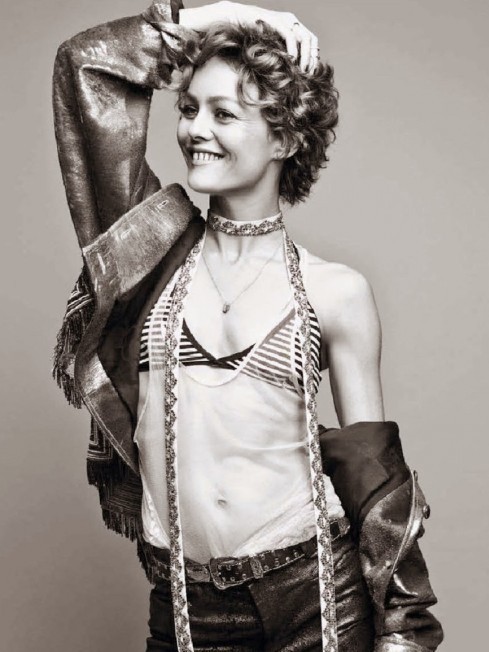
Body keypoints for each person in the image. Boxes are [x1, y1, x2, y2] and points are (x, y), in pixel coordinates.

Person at [52, 1, 443, 650]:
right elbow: (84, 68)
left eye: (224, 114)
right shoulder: (147, 255)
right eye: (188, 108)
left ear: (284, 139)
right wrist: (224, 14)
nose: (195, 130)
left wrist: (406, 630)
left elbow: (372, 474)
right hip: (186, 608)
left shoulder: (334, 291)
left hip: (318, 601)